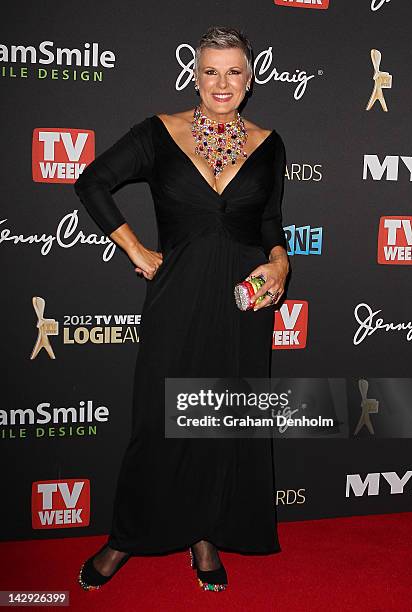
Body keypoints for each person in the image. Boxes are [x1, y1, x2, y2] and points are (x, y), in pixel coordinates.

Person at [74, 25, 290, 593]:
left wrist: (280, 264)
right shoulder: (158, 133)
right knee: (157, 418)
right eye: (211, 70)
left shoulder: (269, 143)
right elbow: (92, 182)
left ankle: (204, 534)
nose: (223, 82)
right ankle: (127, 537)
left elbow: (271, 223)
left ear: (250, 79)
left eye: (234, 71)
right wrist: (138, 249)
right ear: (196, 75)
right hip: (178, 293)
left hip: (243, 302)